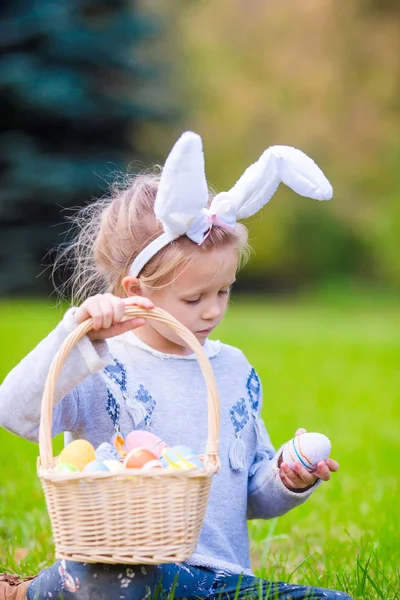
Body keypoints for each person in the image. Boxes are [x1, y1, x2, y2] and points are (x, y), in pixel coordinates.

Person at [0, 132, 352, 600]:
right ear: (136, 291)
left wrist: (288, 477)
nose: (212, 311)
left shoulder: (233, 371)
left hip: (221, 582)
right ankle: (25, 594)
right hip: (128, 569)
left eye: (224, 291)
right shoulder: (100, 365)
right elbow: (12, 409)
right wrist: (77, 333)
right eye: (194, 298)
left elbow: (248, 494)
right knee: (103, 581)